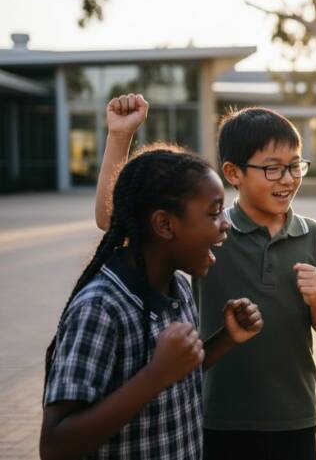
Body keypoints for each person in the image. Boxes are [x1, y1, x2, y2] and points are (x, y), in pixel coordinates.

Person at [94, 94, 316, 460]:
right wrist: (118, 138)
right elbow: (114, 221)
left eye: (294, 166)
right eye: (272, 168)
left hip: (295, 416)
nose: (287, 179)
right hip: (215, 415)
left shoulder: (314, 235)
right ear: (233, 173)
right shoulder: (211, 233)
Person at [41, 139, 263, 460]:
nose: (226, 223)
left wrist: (225, 339)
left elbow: (177, 376)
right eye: (214, 213)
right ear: (164, 224)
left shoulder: (179, 288)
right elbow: (54, 446)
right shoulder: (100, 308)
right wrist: (155, 375)